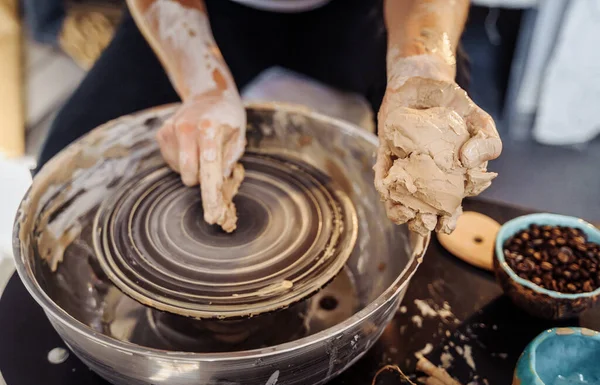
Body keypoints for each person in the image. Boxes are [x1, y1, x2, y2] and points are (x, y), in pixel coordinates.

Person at [37, 0, 502, 234]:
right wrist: (203, 87)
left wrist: (420, 69)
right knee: (63, 174)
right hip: (213, 11)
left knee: (441, 178)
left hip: (358, 12)